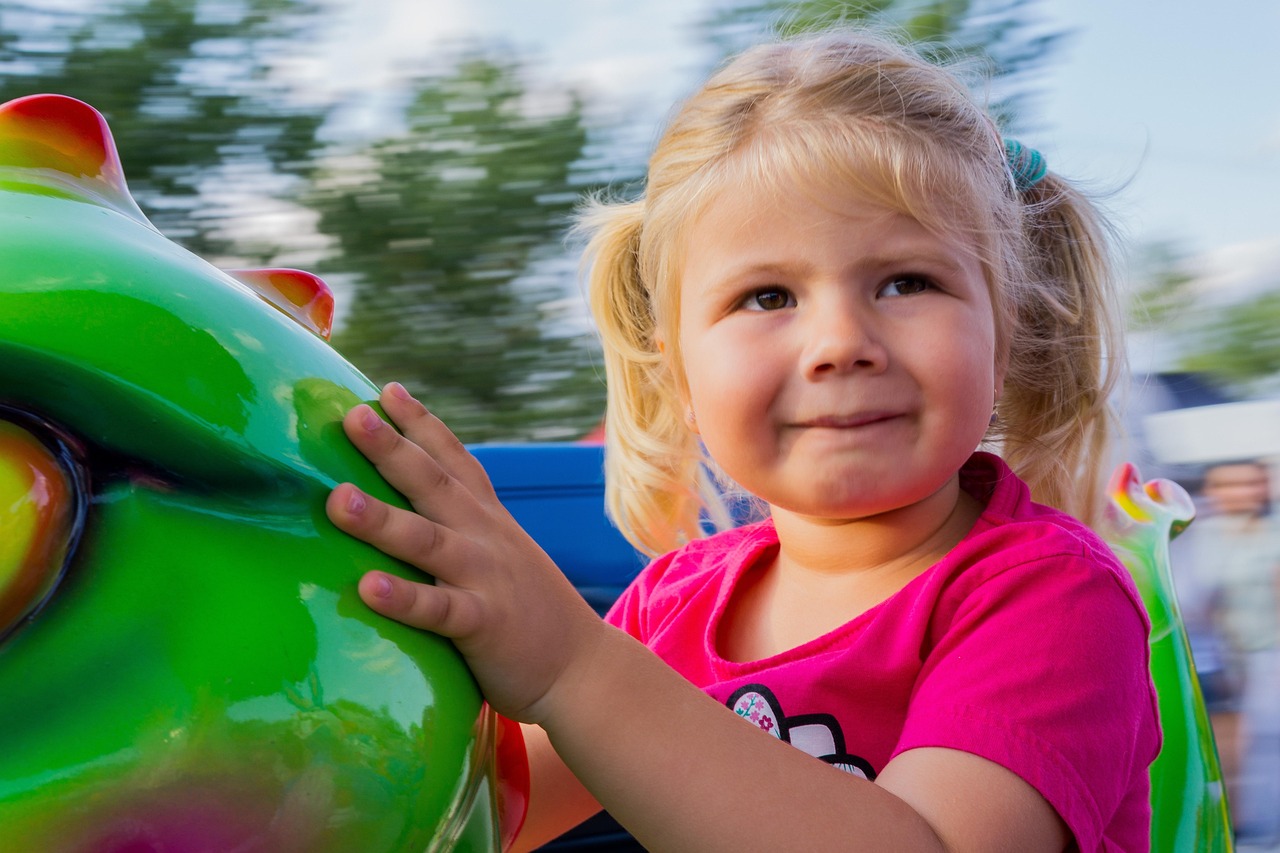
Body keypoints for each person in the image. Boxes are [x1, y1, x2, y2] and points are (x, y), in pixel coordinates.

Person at [325, 29, 1160, 852]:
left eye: (908, 282)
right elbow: (467, 818)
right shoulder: (670, 604)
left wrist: (572, 667)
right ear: (678, 375)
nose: (840, 341)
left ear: (1002, 336)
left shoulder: (1050, 596)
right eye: (766, 297)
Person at [1191, 460, 1280, 847]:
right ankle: (1229, 817)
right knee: (1224, 740)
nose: (1243, 492)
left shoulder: (1269, 533)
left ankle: (1240, 818)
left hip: (1263, 652)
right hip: (1216, 653)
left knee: (1250, 739)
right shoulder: (1200, 536)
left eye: (1250, 484)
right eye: (1231, 485)